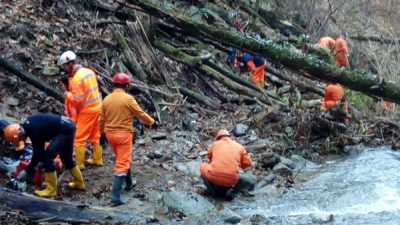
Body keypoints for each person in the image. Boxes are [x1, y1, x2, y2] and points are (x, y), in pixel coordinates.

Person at [99, 72, 159, 206]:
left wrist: (100, 134)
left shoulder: (107, 99)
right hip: (123, 134)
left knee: (123, 158)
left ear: (114, 84)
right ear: (126, 85)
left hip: (110, 135)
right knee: (122, 163)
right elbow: (140, 114)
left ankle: (129, 183)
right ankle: (115, 197)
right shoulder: (128, 99)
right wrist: (152, 122)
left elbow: (101, 119)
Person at [3, 113, 85, 197]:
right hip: (68, 125)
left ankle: (51, 190)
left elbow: (38, 153)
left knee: (47, 157)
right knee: (66, 157)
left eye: (20, 139)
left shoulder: (33, 131)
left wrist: (26, 171)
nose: (22, 140)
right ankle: (79, 183)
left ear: (19, 134)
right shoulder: (28, 125)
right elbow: (39, 151)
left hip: (64, 129)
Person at [59, 51, 103, 170]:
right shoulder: (89, 71)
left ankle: (79, 165)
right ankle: (97, 159)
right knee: (95, 135)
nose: (65, 69)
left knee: (79, 138)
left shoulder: (77, 79)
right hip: (98, 106)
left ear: (69, 64)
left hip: (88, 110)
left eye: (64, 66)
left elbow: (77, 100)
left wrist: (67, 94)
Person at [199, 129, 252, 201]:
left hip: (215, 176)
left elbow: (209, 156)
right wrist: (239, 164)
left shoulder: (216, 144)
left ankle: (213, 191)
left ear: (218, 138)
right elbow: (248, 163)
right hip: (232, 180)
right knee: (230, 175)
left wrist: (216, 163)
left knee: (202, 166)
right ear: (229, 137)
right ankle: (227, 190)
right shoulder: (239, 146)